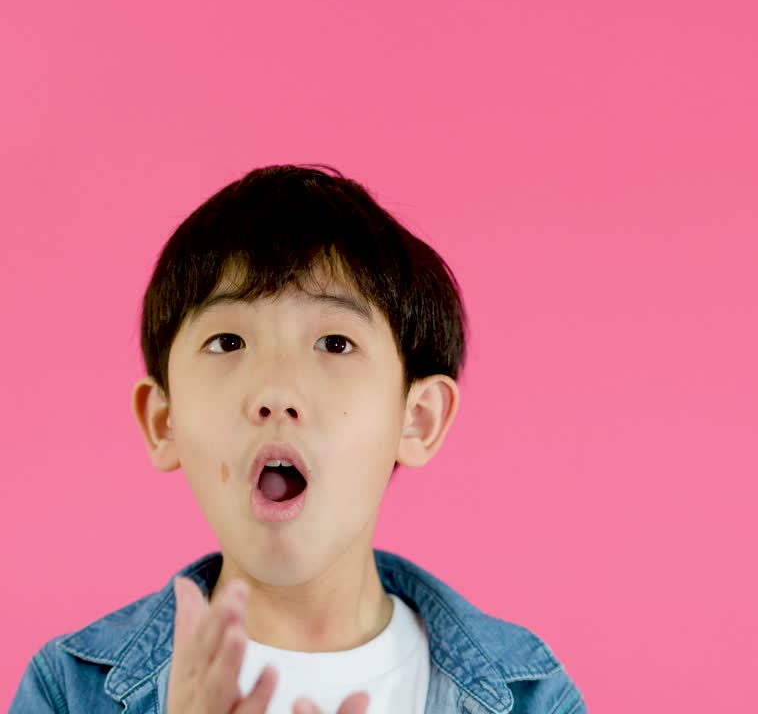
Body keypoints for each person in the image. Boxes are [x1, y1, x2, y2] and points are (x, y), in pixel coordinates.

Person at [9, 164, 587, 714]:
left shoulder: (533, 696)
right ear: (165, 423)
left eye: (334, 343)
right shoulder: (69, 689)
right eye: (229, 342)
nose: (276, 391)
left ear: (417, 419)